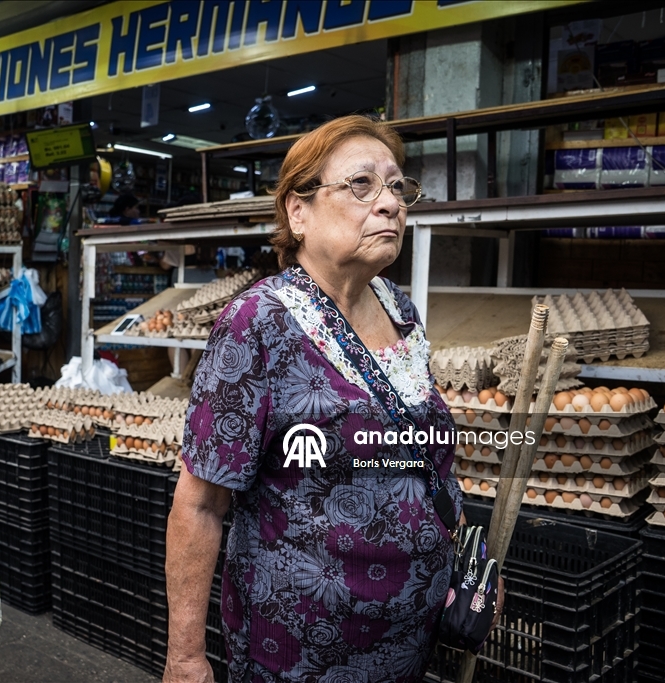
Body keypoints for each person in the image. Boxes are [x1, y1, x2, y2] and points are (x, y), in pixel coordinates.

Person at [164, 115, 501, 683]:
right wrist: (186, 657)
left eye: (398, 187)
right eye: (362, 185)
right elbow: (200, 505)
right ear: (299, 212)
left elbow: (426, 453)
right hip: (302, 647)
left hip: (410, 640)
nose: (390, 203)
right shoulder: (258, 324)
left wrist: (466, 555)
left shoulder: (400, 309)